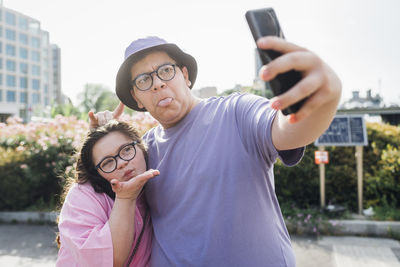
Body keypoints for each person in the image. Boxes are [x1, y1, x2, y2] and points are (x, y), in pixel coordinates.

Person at [90, 35, 341, 266]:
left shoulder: (236, 112)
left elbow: (289, 129)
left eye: (166, 70)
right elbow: (107, 198)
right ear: (136, 97)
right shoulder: (142, 151)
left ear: (185, 75)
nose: (157, 84)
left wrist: (321, 99)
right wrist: (101, 142)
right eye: (144, 80)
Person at [56, 120, 159, 267]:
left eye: (127, 149)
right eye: (107, 162)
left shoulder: (153, 183)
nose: (122, 162)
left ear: (141, 147)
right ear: (98, 174)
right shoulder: (82, 195)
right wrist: (125, 198)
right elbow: (110, 260)